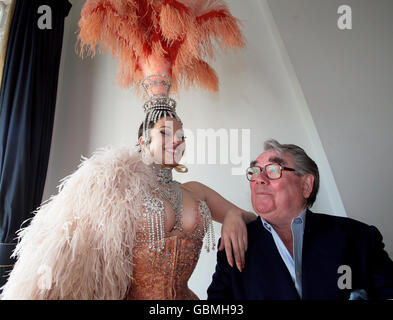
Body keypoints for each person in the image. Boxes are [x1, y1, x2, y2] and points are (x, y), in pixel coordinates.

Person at [1, 0, 256, 300]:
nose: (177, 140)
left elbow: (251, 218)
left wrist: (233, 217)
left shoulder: (196, 190)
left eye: (181, 135)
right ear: (144, 142)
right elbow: (73, 246)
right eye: (165, 133)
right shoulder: (119, 188)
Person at [207, 139, 393, 300]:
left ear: (306, 185)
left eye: (273, 169)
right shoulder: (234, 245)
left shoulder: (359, 237)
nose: (259, 179)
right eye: (255, 171)